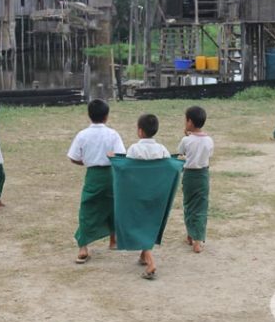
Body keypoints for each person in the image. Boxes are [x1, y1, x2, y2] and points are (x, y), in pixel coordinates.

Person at [67, 99, 126, 264]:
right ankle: (113, 240)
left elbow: (73, 157)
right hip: (111, 174)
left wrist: (86, 162)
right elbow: (121, 156)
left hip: (93, 175)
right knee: (112, 206)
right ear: (107, 116)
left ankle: (83, 246)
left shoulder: (82, 135)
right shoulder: (113, 134)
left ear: (89, 115)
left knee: (88, 208)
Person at [126, 114, 170, 279]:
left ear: (140, 131)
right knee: (149, 223)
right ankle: (144, 255)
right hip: (158, 193)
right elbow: (168, 167)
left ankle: (151, 262)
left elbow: (126, 169)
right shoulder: (162, 149)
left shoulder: (134, 149)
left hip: (139, 193)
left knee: (140, 223)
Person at [178, 106, 214, 254]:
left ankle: (190, 235)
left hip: (189, 176)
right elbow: (209, 154)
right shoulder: (209, 140)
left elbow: (181, 152)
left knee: (189, 205)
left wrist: (187, 135)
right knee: (201, 207)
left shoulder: (186, 140)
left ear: (190, 122)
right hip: (203, 175)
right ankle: (198, 240)